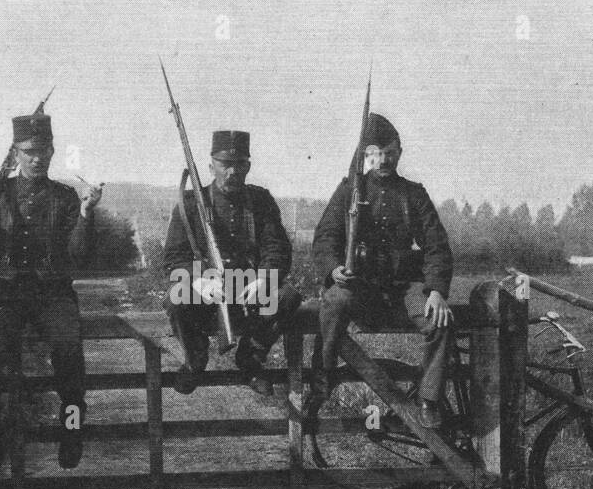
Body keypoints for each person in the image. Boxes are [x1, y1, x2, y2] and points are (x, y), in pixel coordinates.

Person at [0, 105, 102, 470]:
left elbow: (77, 257)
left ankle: (72, 430)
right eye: (29, 152)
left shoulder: (65, 198)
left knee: (69, 354)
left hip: (50, 293)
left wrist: (85, 215)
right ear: (16, 153)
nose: (37, 159)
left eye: (43, 151)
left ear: (52, 152)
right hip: (1, 292)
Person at [311, 113, 455, 426]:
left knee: (438, 319)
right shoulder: (350, 188)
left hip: (402, 288)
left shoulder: (413, 194)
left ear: (399, 153)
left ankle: (429, 399)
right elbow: (325, 237)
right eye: (375, 153)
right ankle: (322, 375)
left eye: (389, 152)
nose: (383, 160)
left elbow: (436, 246)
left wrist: (435, 291)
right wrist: (333, 269)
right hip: (360, 289)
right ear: (365, 156)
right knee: (334, 301)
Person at [162, 130, 302, 396]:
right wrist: (199, 280)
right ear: (211, 166)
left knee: (287, 297)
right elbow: (173, 257)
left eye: (239, 164)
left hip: (248, 294)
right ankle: (195, 360)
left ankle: (250, 359)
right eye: (225, 164)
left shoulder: (261, 201)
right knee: (176, 297)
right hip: (205, 298)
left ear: (248, 166)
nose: (232, 171)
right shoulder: (192, 203)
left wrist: (264, 279)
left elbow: (277, 248)